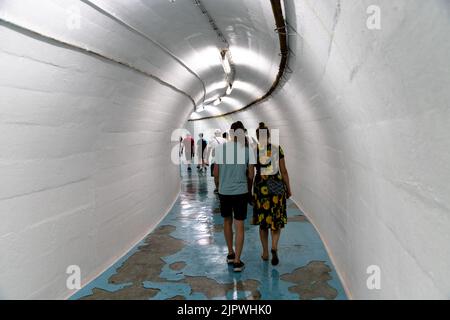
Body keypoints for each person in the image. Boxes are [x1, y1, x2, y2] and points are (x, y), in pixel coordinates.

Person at [214, 121, 255, 272]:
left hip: (224, 192)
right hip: (240, 192)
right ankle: (237, 261)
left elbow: (216, 174)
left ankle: (230, 253)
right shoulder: (247, 150)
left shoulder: (221, 149)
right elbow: (251, 174)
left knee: (226, 221)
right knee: (239, 226)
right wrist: (249, 189)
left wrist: (219, 187)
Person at [252, 122, 292, 266]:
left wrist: (250, 190)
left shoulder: (254, 151)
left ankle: (265, 252)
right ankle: (274, 246)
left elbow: (251, 173)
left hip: (261, 188)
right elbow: (284, 171)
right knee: (276, 219)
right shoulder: (277, 149)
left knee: (264, 222)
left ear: (257, 137)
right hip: (277, 187)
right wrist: (288, 188)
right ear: (268, 136)